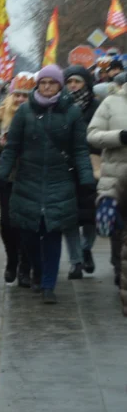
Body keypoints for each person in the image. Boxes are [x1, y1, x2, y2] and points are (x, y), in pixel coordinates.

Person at [0, 65, 95, 304]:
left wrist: (86, 178)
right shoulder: (24, 112)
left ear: (60, 85)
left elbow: (80, 149)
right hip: (27, 180)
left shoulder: (71, 113)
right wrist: (2, 174)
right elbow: (12, 147)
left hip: (59, 180)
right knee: (29, 233)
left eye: (52, 83)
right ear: (38, 85)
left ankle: (49, 284)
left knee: (52, 232)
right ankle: (38, 270)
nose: (47, 87)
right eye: (43, 83)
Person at [0, 75, 34, 285]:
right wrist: (0, 141)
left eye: (25, 95)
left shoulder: (36, 113)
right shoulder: (0, 112)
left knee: (27, 224)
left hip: (31, 176)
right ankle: (11, 260)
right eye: (17, 95)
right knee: (7, 223)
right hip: (7, 176)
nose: (20, 99)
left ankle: (25, 265)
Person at [88, 75, 127, 289]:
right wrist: (120, 136)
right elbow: (93, 135)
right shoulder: (111, 102)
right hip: (116, 179)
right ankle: (119, 269)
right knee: (119, 231)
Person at [63, 65, 99, 279]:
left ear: (86, 83)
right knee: (69, 218)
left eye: (77, 81)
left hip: (92, 168)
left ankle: (87, 248)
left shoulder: (96, 106)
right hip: (66, 169)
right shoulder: (61, 106)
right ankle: (75, 260)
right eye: (69, 82)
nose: (73, 85)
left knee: (90, 217)